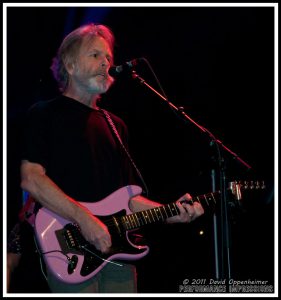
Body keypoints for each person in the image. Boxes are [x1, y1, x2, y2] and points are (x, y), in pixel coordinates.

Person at [19, 23, 204, 293]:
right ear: (69, 65)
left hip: (118, 256)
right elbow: (31, 178)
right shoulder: (45, 114)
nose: (105, 62)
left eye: (108, 57)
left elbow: (128, 200)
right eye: (95, 55)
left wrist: (170, 212)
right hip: (70, 247)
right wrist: (85, 220)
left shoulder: (115, 125)